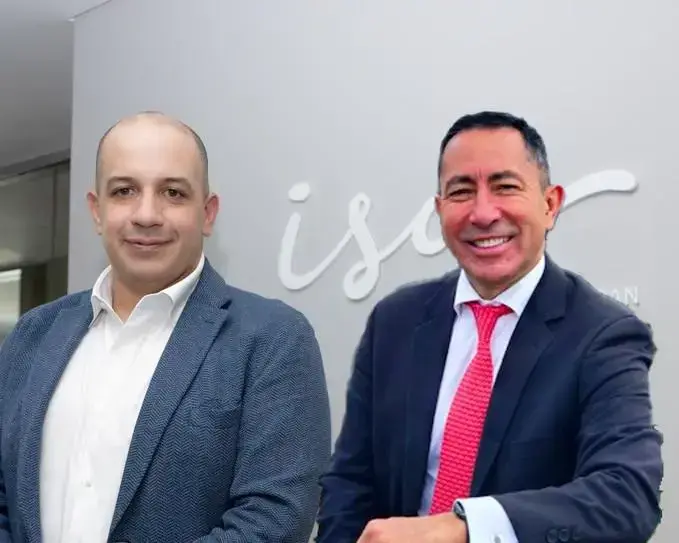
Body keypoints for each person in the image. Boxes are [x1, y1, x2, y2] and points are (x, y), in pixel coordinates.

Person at [316, 111, 663, 542]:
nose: (482, 213)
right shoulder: (395, 321)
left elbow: (626, 495)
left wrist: (465, 527)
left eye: (505, 187)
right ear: (440, 210)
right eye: (461, 191)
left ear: (550, 204)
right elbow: (350, 483)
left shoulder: (603, 335)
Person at [0, 111, 331, 542]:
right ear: (97, 211)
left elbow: (275, 521)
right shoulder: (33, 334)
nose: (146, 214)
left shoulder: (272, 340)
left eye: (173, 193)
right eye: (124, 191)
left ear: (207, 213)